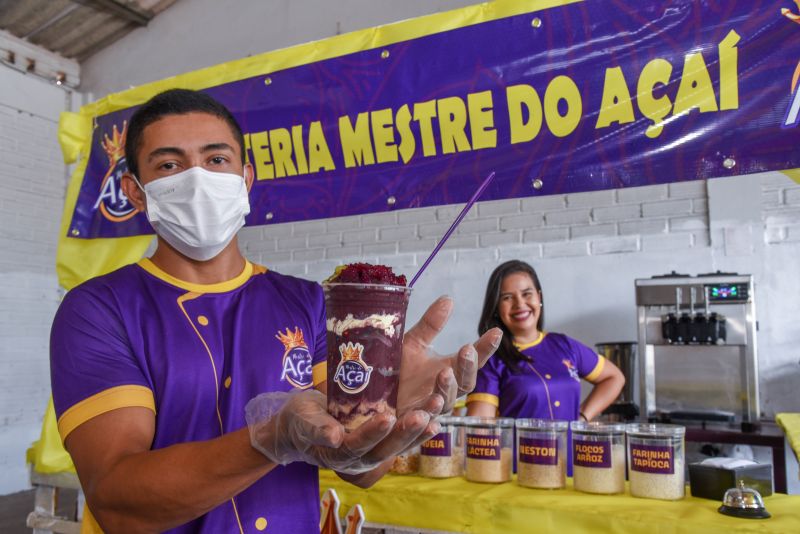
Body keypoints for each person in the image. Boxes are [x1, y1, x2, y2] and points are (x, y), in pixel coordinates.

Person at [50, 88, 502, 533]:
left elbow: (357, 466)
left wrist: (388, 410)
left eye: (216, 160)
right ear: (135, 191)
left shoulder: (306, 302)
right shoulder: (99, 310)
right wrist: (270, 439)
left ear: (245, 179)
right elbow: (118, 503)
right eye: (169, 165)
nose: (197, 178)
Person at [466, 260, 624, 425]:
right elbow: (480, 430)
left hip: (569, 451)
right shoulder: (489, 361)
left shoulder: (565, 345)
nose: (519, 304)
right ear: (496, 307)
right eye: (507, 297)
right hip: (520, 451)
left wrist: (582, 418)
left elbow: (614, 377)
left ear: (539, 297)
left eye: (527, 294)